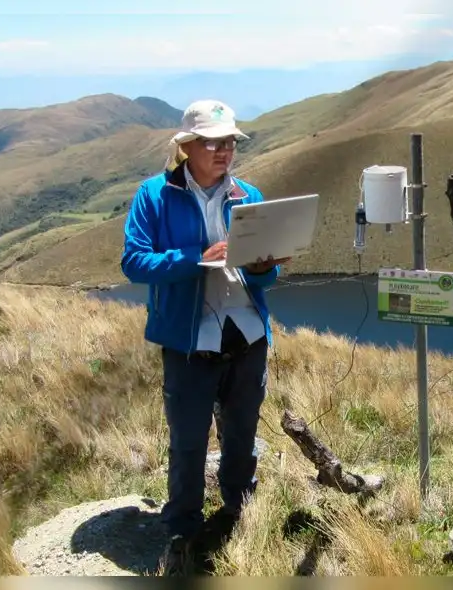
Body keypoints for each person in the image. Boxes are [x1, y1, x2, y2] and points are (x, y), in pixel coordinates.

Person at [120, 99, 289, 575]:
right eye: (213, 143)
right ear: (188, 147)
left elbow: (265, 279)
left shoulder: (248, 194)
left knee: (242, 432)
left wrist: (264, 267)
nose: (224, 151)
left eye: (230, 142)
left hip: (247, 334)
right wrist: (197, 257)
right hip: (189, 341)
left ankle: (239, 507)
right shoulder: (154, 196)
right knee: (189, 441)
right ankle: (183, 528)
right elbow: (134, 262)